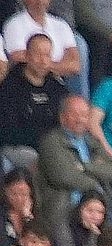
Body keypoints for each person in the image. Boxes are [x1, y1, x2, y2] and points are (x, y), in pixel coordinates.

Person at [0, 32, 68, 172]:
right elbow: (7, 131)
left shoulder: (57, 87)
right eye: (38, 54)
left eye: (47, 55)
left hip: (51, 149)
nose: (43, 61)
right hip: (18, 148)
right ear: (26, 55)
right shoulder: (10, 86)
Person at [9, 0, 85, 94]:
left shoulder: (61, 24)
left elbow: (75, 65)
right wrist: (59, 66)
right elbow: (19, 60)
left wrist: (43, 65)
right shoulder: (14, 24)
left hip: (59, 83)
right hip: (27, 85)